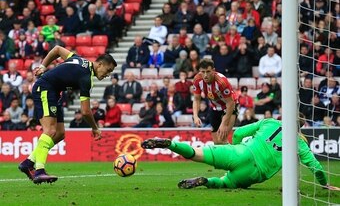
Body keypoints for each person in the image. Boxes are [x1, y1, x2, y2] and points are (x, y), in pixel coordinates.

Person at [141, 116, 338, 191]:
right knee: (225, 183)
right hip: (254, 173)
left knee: (194, 153)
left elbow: (239, 133)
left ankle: (170, 144)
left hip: (240, 151)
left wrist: (236, 147)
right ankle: (206, 181)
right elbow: (315, 166)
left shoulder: (270, 122)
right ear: (301, 126)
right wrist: (325, 184)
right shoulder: (299, 142)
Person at [18, 45, 117, 184]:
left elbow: (58, 49)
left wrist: (43, 66)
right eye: (108, 70)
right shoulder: (86, 78)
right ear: (100, 64)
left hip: (53, 92)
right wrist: (95, 128)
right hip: (45, 89)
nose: (108, 74)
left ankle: (28, 163)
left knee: (59, 134)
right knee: (50, 130)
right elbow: (85, 111)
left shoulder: (78, 60)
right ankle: (39, 170)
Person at [192, 58, 238, 144]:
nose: (205, 75)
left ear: (213, 71)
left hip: (229, 107)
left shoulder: (221, 82)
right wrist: (195, 116)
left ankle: (233, 156)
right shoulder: (197, 80)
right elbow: (196, 99)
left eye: (208, 72)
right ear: (199, 71)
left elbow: (230, 103)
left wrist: (224, 123)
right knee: (216, 142)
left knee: (222, 138)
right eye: (202, 72)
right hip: (214, 107)